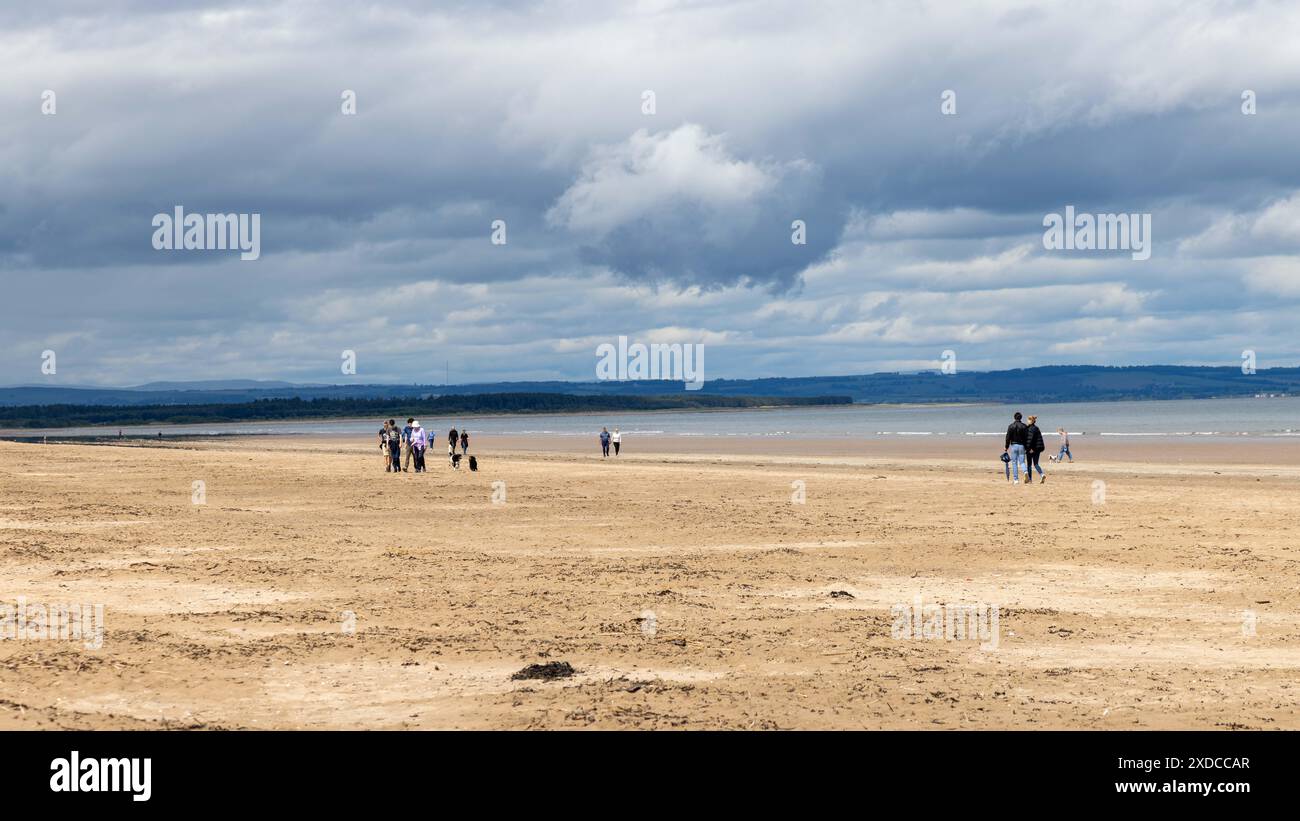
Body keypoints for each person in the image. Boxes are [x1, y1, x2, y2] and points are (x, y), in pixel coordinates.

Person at [1003, 412, 1029, 484]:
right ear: (1021, 418)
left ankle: (1016, 480)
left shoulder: (1011, 426)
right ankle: (1025, 471)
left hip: (1014, 445)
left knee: (1014, 463)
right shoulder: (1024, 426)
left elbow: (1008, 437)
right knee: (1022, 462)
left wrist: (1006, 446)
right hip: (1022, 446)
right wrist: (1027, 447)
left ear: (1014, 418)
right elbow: (1027, 438)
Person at [1025, 414, 1046, 484]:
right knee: (1036, 464)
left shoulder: (1029, 428)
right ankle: (1042, 474)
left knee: (1029, 465)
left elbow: (1030, 439)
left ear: (1031, 421)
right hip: (1038, 448)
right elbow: (1039, 439)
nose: (1027, 421)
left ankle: (1030, 480)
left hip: (1031, 449)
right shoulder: (1037, 428)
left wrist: (1030, 448)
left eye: (1028, 420)